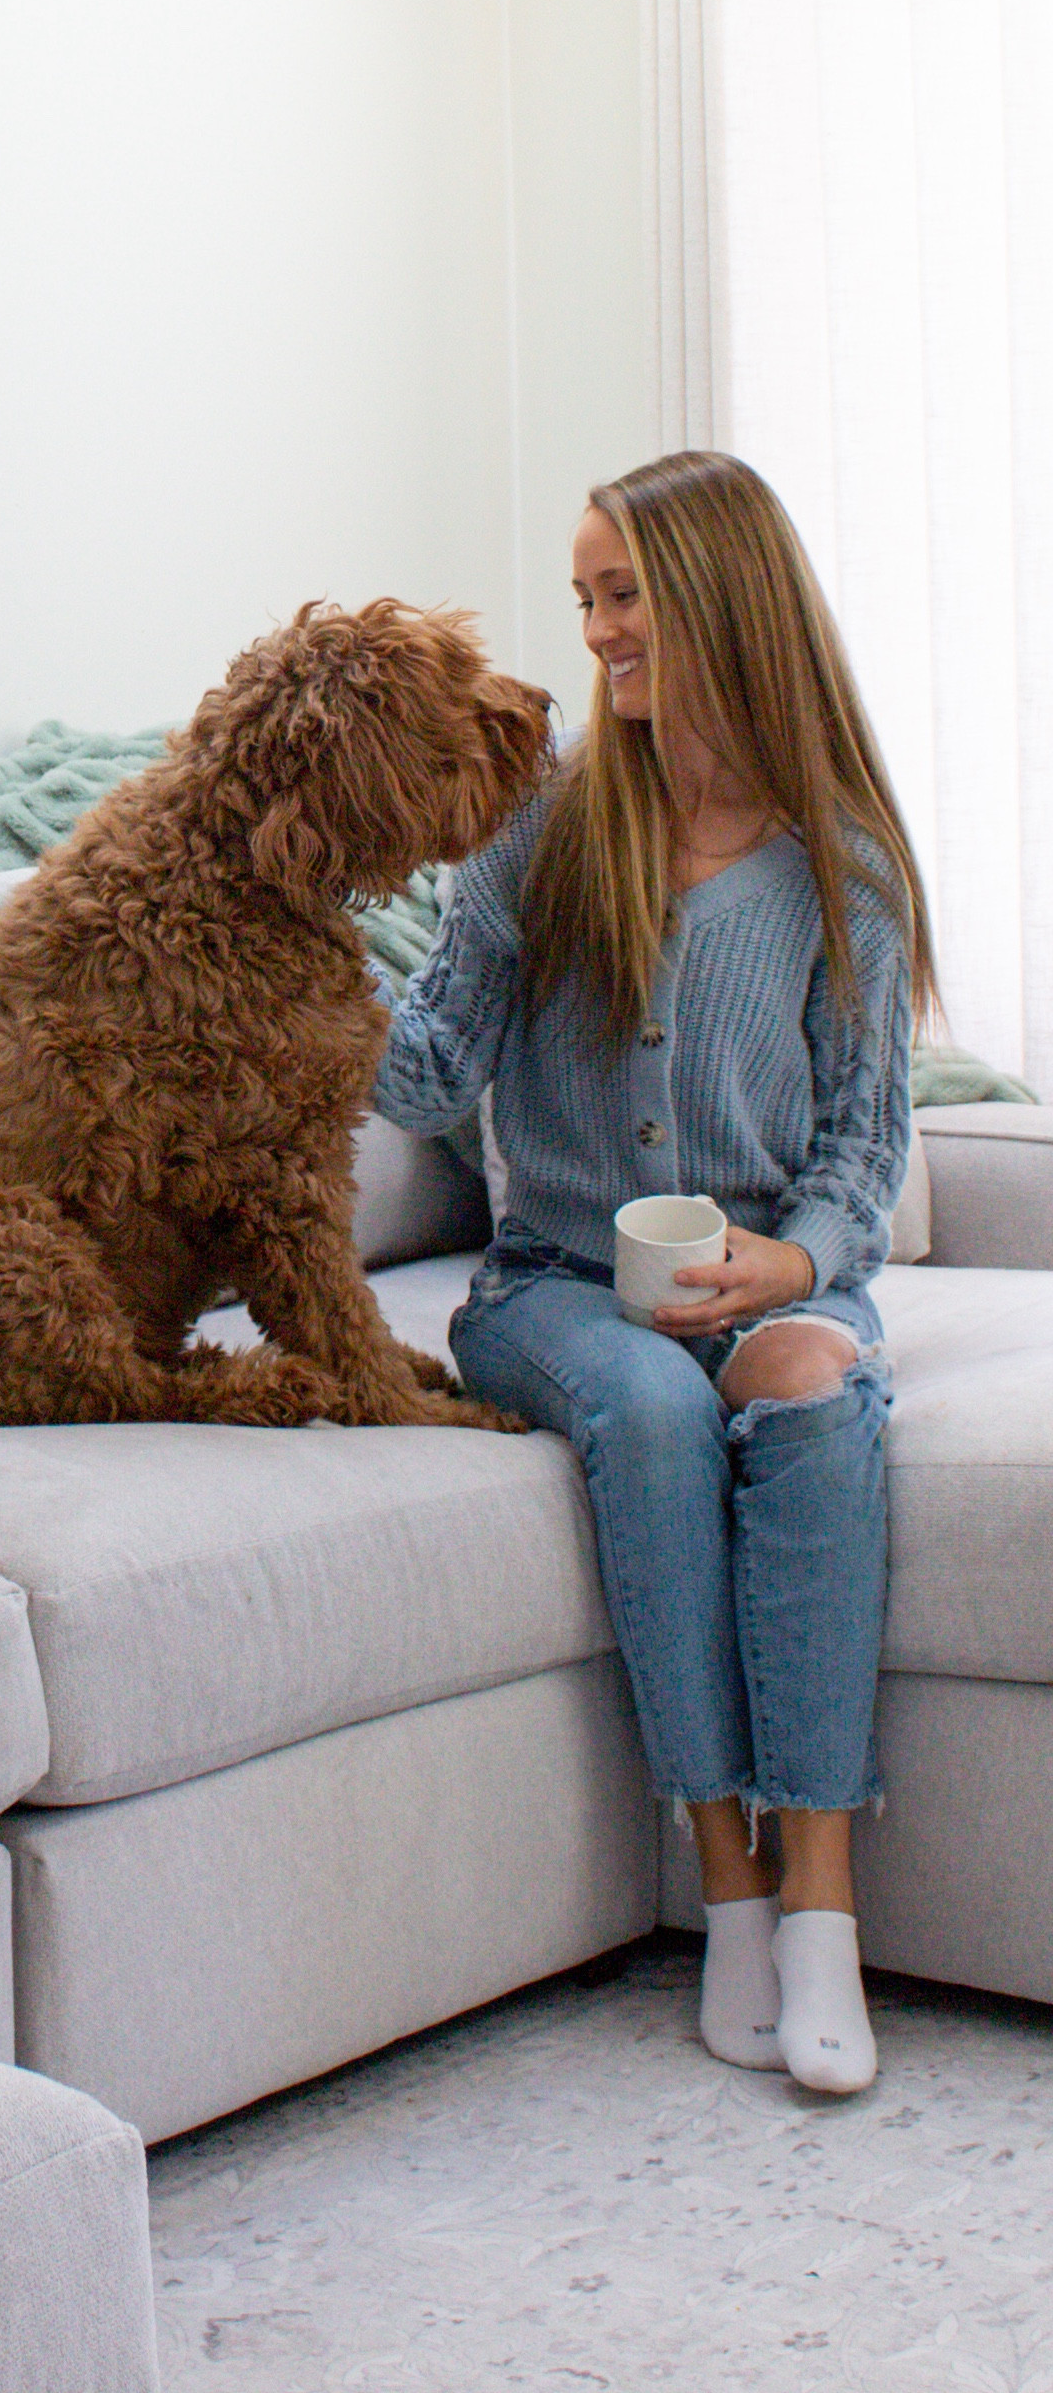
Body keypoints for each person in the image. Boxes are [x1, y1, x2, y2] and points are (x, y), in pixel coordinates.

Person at [372, 450, 935, 2096]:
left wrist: (794, 1264)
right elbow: (419, 1084)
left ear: (717, 601)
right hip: (554, 1287)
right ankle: (731, 1888)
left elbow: (860, 1159)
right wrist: (356, 930)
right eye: (589, 600)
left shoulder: (846, 870)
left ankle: (824, 1903)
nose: (601, 634)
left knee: (817, 1397)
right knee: (648, 1406)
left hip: (766, 1282)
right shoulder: (544, 825)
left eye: (624, 598)